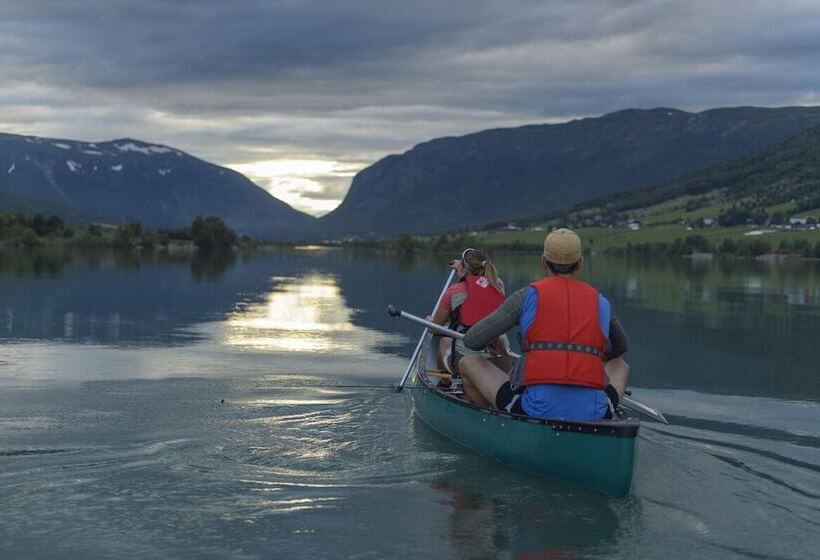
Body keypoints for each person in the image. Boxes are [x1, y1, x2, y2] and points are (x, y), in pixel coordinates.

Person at [459, 229, 629, 420]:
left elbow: (472, 340)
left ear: (543, 262)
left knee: (468, 362)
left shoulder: (526, 296)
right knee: (620, 365)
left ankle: (494, 422)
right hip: (595, 413)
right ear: (580, 263)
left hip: (535, 409)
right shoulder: (601, 301)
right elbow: (621, 347)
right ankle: (601, 416)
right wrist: (588, 355)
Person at [429, 248, 510, 380]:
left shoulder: (453, 292)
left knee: (444, 341)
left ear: (465, 269)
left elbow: (434, 328)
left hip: (466, 360)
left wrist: (430, 321)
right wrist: (463, 267)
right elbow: (479, 284)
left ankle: (445, 383)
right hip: (500, 358)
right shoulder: (499, 285)